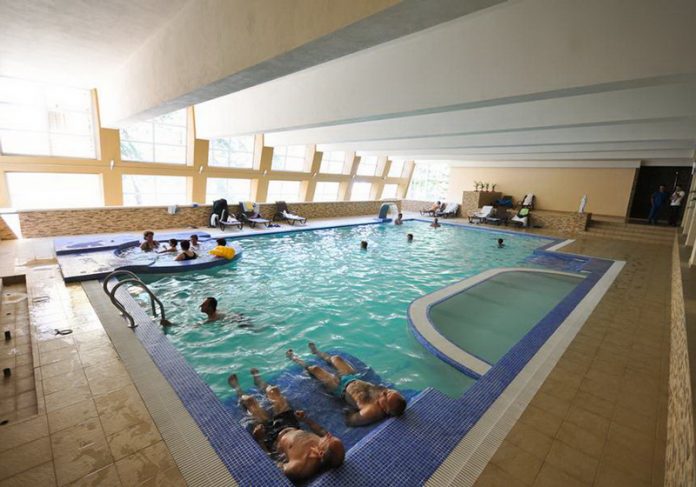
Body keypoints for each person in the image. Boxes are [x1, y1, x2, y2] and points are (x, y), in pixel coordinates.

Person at [228, 369, 345, 481]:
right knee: (274, 391)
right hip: (289, 424)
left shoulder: (298, 467)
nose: (328, 435)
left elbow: (273, 464)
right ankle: (259, 382)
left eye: (329, 438)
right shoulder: (324, 442)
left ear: (320, 453)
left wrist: (260, 440)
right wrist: (305, 419)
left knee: (249, 401)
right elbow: (321, 430)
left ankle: (237, 389)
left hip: (271, 436)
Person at [287, 343, 407, 426]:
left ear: (386, 409)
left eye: (386, 396)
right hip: (353, 377)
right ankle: (316, 352)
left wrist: (348, 408)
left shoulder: (371, 411)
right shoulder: (386, 394)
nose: (385, 391)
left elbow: (351, 421)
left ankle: (295, 358)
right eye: (389, 392)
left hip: (340, 388)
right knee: (336, 358)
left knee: (315, 369)